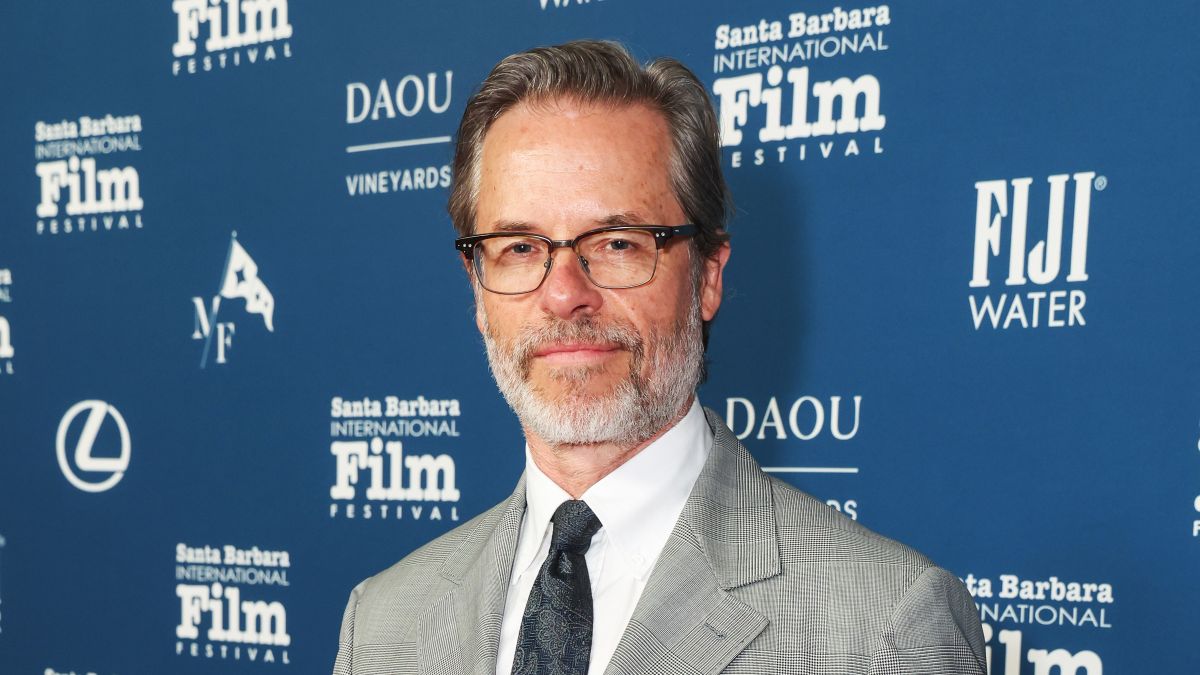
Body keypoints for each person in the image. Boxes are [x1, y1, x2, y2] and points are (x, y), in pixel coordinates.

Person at [332, 40, 985, 675]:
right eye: (519, 247)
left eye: (618, 242)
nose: (564, 295)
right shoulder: (384, 620)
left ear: (707, 276)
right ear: (477, 287)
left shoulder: (880, 628)